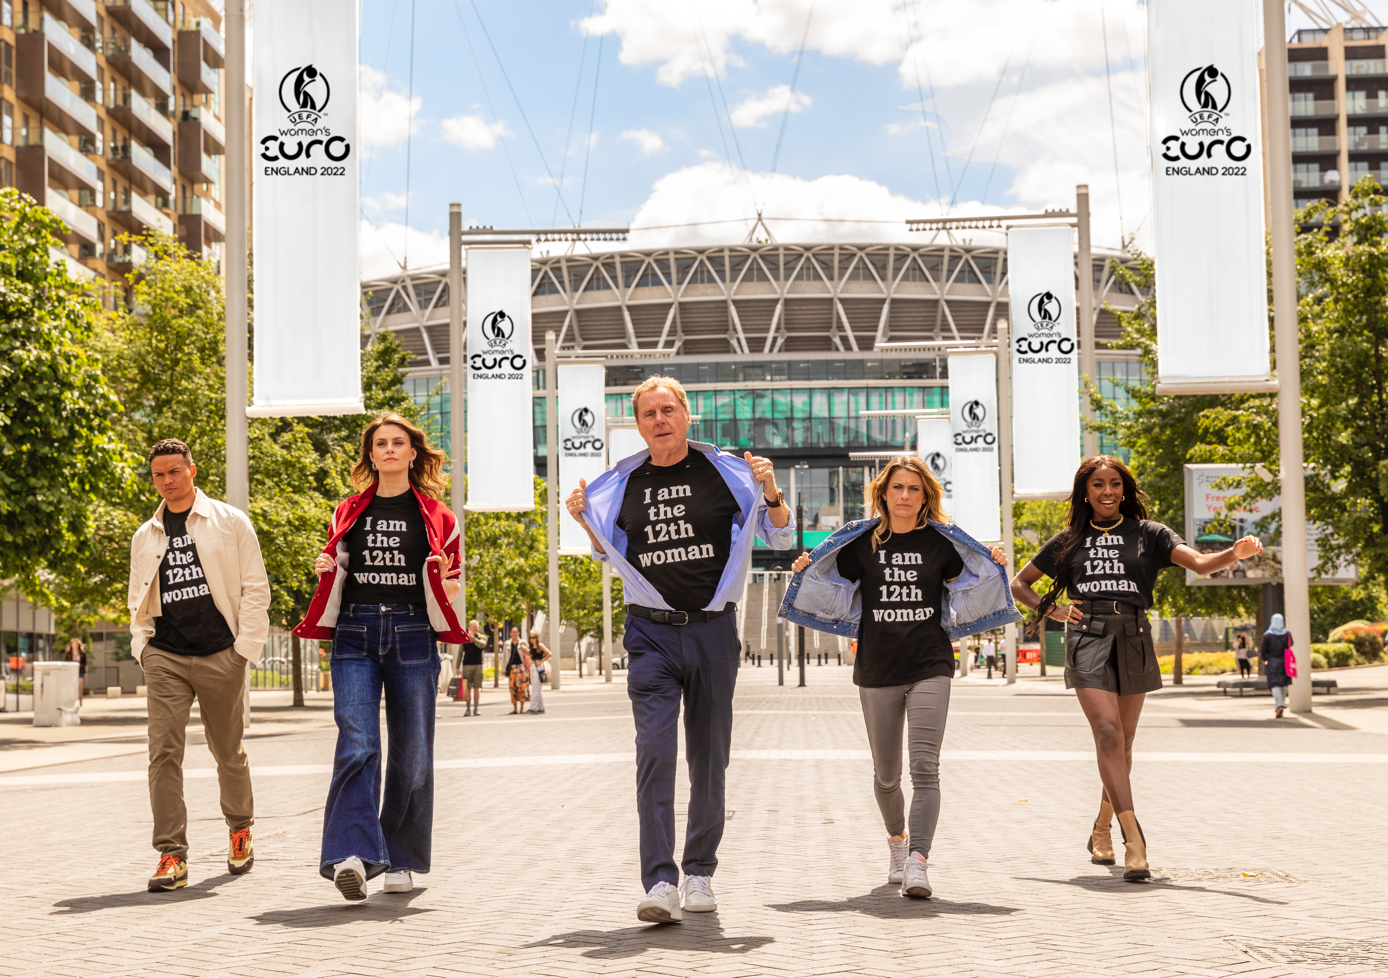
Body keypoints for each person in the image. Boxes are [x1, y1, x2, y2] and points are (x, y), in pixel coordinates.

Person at [566, 375, 793, 923]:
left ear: (687, 415)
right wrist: (583, 520)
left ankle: (699, 873)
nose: (659, 420)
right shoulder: (622, 484)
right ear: (638, 424)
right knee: (655, 754)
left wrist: (772, 492)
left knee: (709, 758)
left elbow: (781, 538)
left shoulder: (728, 473)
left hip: (714, 630)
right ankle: (659, 881)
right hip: (650, 634)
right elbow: (607, 553)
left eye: (668, 410)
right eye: (649, 414)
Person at [1008, 455, 1262, 881]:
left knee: (1122, 747)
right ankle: (1135, 841)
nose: (1107, 491)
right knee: (1107, 732)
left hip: (1134, 637)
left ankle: (1102, 827)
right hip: (1087, 636)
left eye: (1114, 483)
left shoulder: (1150, 534)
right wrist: (1052, 611)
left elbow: (1198, 563)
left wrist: (1232, 554)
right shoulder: (1069, 539)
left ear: (1124, 488)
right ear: (1084, 492)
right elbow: (1019, 584)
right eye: (1097, 485)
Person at [784, 456, 1017, 898]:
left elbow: (975, 580)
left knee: (925, 769)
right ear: (884, 494)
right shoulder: (862, 543)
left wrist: (995, 562)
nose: (906, 496)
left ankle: (918, 861)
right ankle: (897, 842)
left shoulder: (942, 544)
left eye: (914, 489)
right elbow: (829, 579)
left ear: (925, 495)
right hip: (877, 668)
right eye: (898, 489)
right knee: (887, 776)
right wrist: (804, 571)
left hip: (930, 663)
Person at [296, 412, 464, 902]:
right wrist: (326, 567)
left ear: (413, 453)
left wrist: (449, 585)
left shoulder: (439, 517)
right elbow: (338, 565)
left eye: (398, 443)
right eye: (380, 444)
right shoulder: (347, 511)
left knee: (412, 755)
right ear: (370, 455)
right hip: (356, 631)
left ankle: (401, 857)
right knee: (358, 743)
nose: (389, 450)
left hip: (413, 633)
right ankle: (351, 855)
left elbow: (451, 584)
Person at [126, 438, 270, 892]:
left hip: (220, 655)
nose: (167, 481)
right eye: (158, 475)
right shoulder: (145, 535)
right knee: (163, 753)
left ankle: (240, 827)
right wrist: (142, 646)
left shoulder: (229, 522)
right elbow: (138, 597)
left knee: (227, 751)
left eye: (174, 471)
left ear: (192, 469)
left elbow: (255, 589)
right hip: (165, 654)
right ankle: (171, 855)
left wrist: (243, 649)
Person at [1260, 614, 1293, 718]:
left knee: (1274, 684)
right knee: (1283, 684)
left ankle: (1279, 704)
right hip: (1285, 661)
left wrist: (1264, 659)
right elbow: (1291, 644)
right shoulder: (1287, 633)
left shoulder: (1268, 635)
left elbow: (1263, 650)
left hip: (1272, 661)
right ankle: (1281, 706)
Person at [458, 620, 486, 715]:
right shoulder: (464, 638)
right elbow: (460, 653)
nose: (475, 628)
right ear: (470, 627)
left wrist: (473, 637)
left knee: (476, 688)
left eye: (476, 626)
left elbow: (481, 645)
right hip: (467, 666)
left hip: (478, 666)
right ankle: (468, 709)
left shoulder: (482, 637)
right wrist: (457, 667)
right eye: (473, 626)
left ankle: (476, 708)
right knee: (468, 689)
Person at [501, 626, 530, 714]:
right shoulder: (507, 643)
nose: (514, 634)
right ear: (510, 633)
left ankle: (521, 709)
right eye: (513, 632)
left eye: (516, 632)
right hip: (512, 669)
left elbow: (529, 653)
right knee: (512, 688)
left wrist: (525, 649)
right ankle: (515, 709)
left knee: (522, 688)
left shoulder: (523, 642)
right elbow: (504, 657)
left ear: (519, 633)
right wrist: (503, 669)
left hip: (521, 669)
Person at [526, 630, 552, 714]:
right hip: (533, 668)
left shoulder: (540, 646)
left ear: (537, 638)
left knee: (535, 689)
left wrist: (541, 660)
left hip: (538, 668)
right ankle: (541, 707)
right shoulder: (531, 647)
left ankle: (533, 708)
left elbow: (549, 653)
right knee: (536, 689)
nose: (531, 639)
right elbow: (530, 657)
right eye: (530, 638)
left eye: (533, 637)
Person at [63, 638, 87, 705]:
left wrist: (79, 665)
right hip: (71, 672)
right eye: (73, 643)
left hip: (80, 671)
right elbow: (66, 662)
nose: (75, 645)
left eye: (76, 643)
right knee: (72, 687)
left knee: (78, 687)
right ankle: (73, 701)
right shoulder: (68, 653)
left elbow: (85, 663)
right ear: (71, 645)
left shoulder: (82, 653)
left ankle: (77, 702)